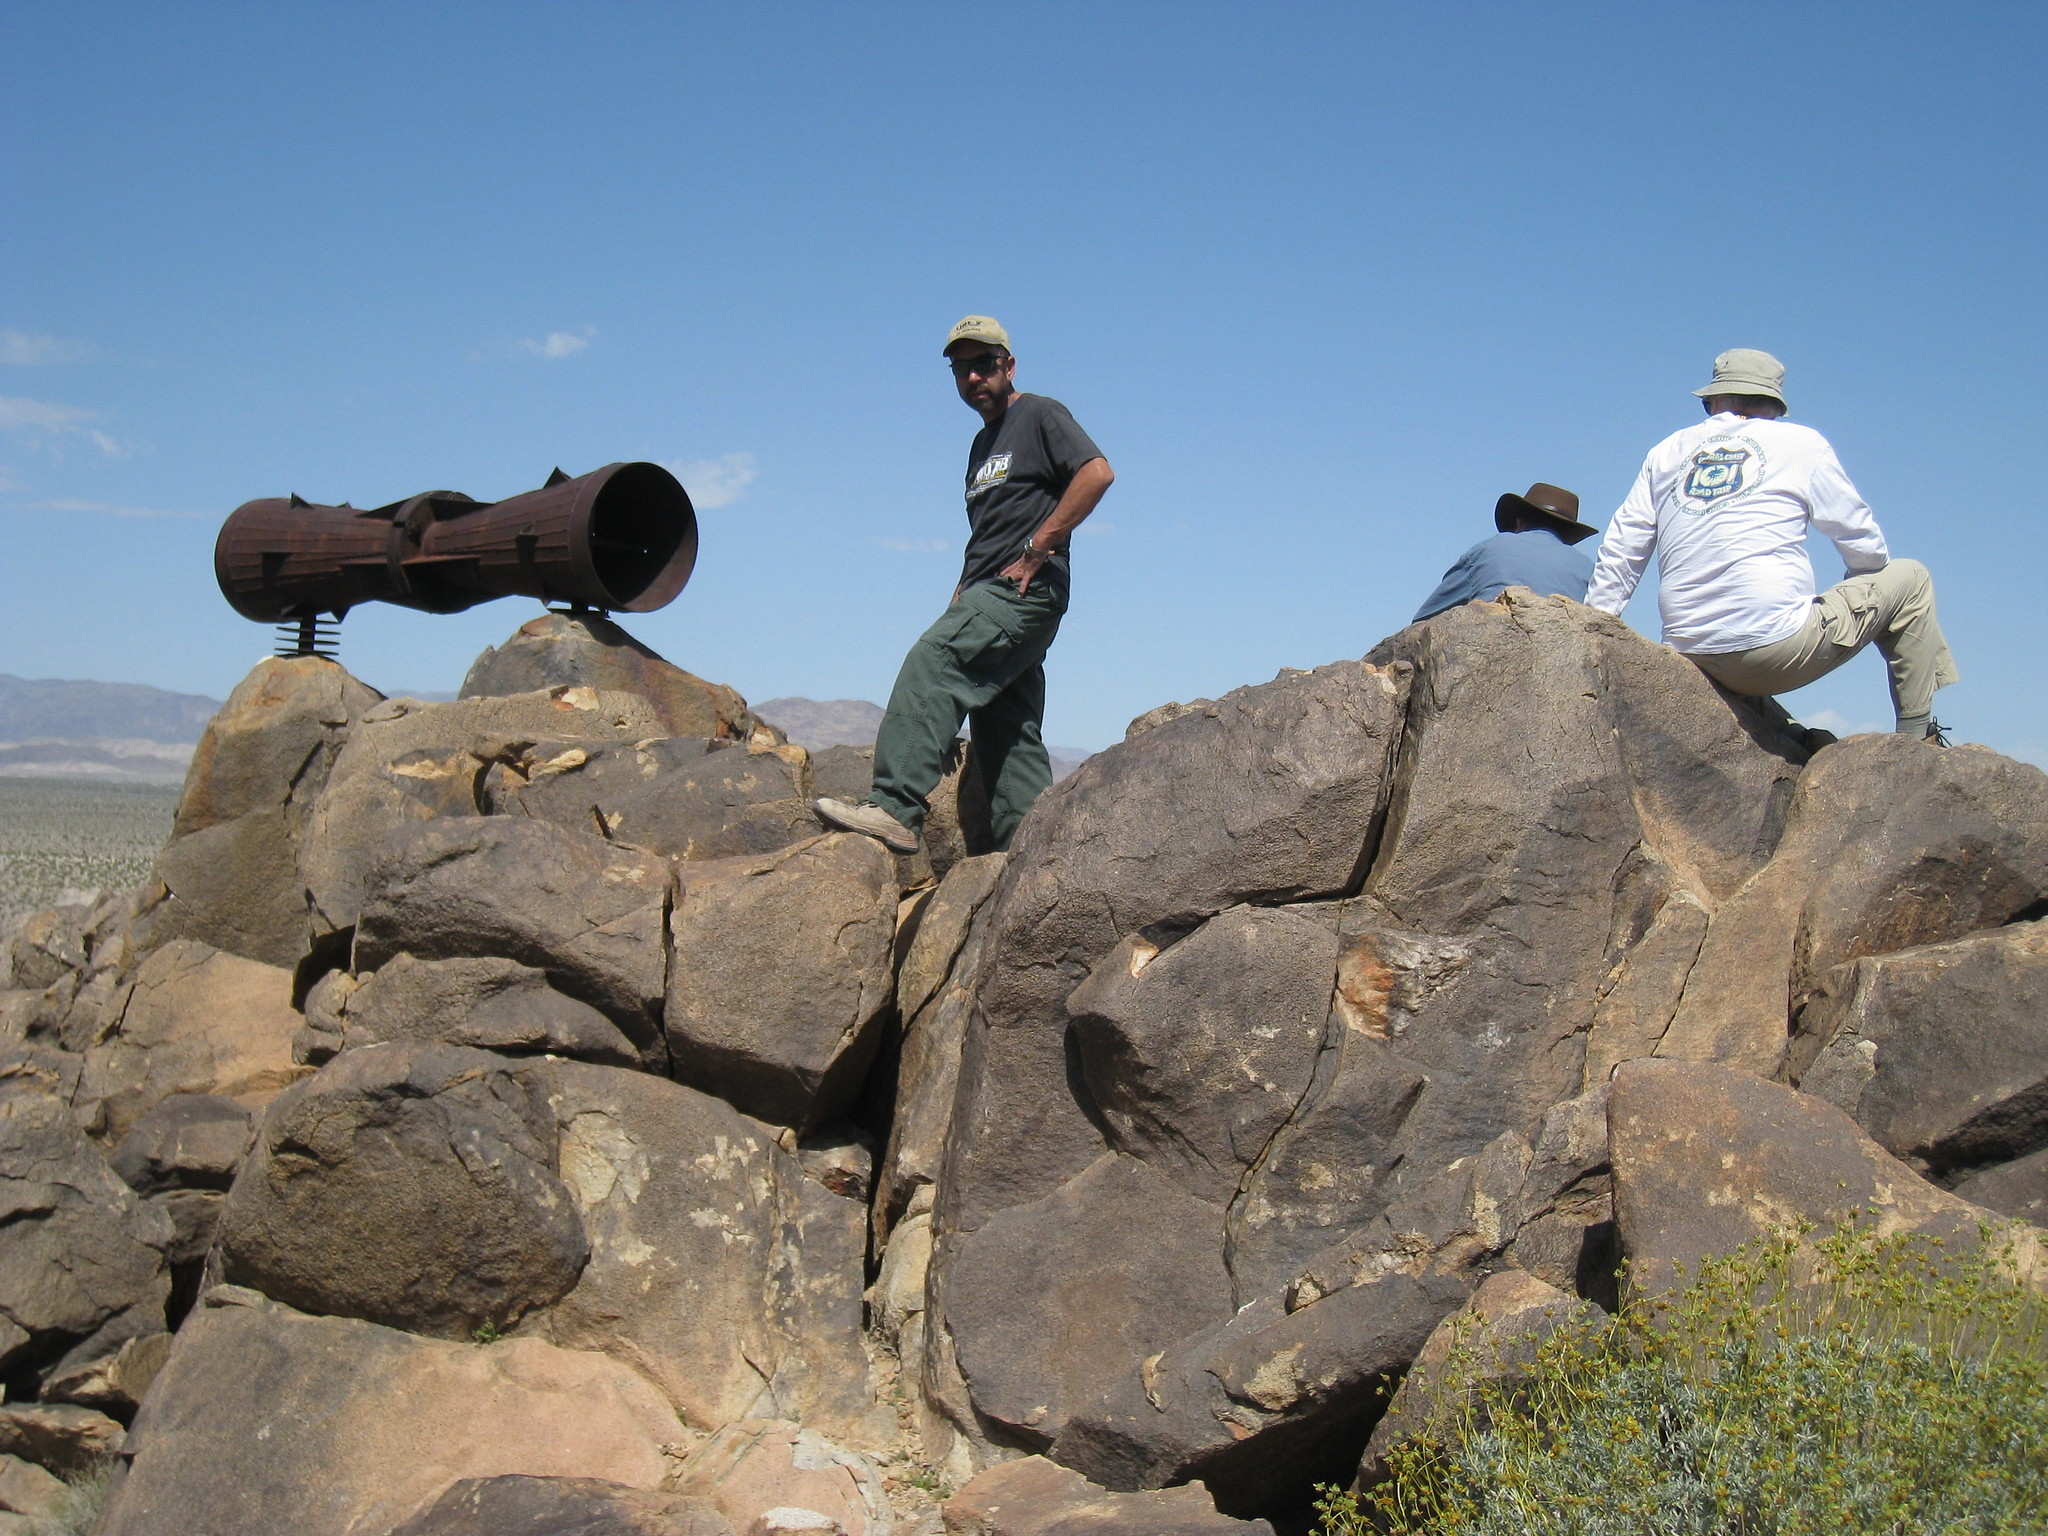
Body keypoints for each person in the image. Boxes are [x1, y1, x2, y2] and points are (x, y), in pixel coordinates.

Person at [815, 316, 1114, 854]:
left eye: (985, 364)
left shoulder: (1041, 414)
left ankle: (893, 807)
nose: (974, 377)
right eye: (962, 369)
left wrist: (1038, 549)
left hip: (1024, 589)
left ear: (1009, 365)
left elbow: (1095, 472)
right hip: (991, 590)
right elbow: (986, 532)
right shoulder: (981, 446)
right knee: (1005, 721)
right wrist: (960, 594)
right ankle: (1026, 853)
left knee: (933, 664)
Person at [1585, 348, 1957, 742]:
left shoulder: (1666, 451)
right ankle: (1917, 740)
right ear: (1775, 406)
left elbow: (1623, 548)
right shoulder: (1802, 443)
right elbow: (1866, 546)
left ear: (1712, 401)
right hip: (1775, 651)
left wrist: (1592, 628)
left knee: (1760, 696)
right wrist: (1858, 587)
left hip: (1688, 655)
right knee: (1911, 577)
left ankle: (1795, 737)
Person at [1413, 482, 1599, 622]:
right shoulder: (1591, 570)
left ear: (1518, 523)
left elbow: (1423, 620)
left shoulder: (1488, 551)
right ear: (1569, 537)